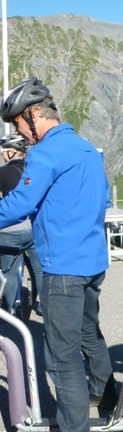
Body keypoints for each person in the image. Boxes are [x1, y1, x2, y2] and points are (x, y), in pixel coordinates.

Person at [0, 77, 116, 432]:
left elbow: (18, 203)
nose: (19, 132)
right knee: (89, 333)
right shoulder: (85, 148)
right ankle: (106, 393)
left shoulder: (46, 153)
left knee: (62, 360)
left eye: (18, 123)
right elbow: (104, 197)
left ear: (33, 115)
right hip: (94, 263)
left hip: (62, 268)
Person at [0, 133, 43, 317]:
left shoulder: (2, 173)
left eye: (3, 152)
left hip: (9, 231)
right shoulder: (34, 171)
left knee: (8, 271)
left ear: (11, 153)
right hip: (33, 229)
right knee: (39, 269)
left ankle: (7, 311)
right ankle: (47, 307)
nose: (2, 155)